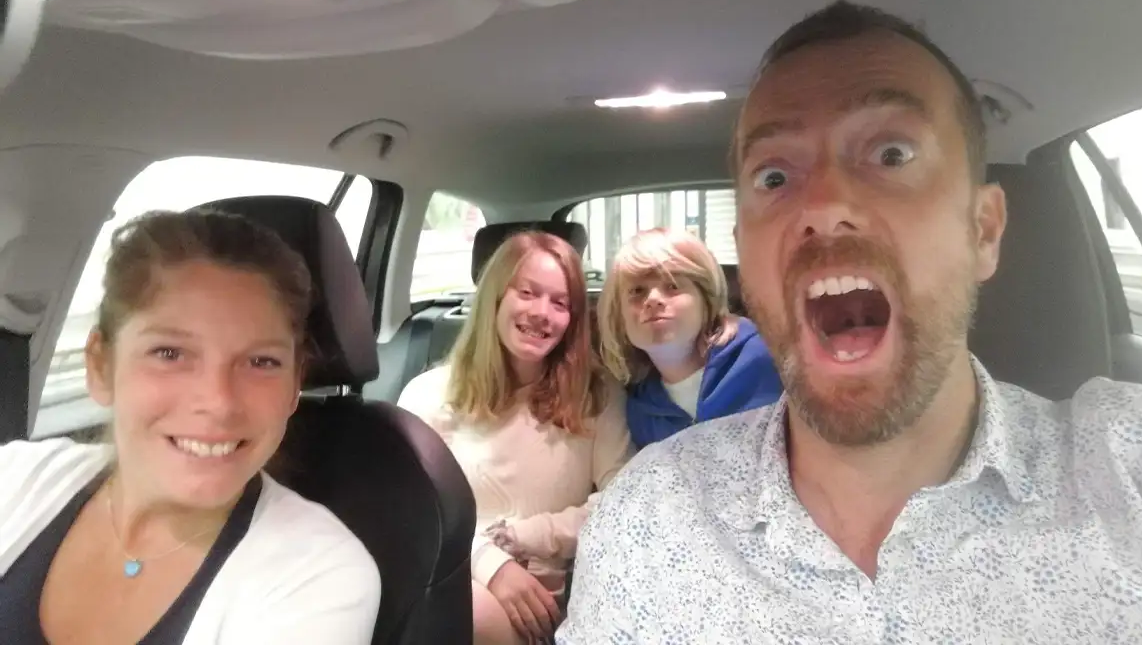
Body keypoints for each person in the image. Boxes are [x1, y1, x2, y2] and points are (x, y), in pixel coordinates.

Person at [558, 0, 1142, 644]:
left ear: (984, 230)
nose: (825, 206)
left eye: (891, 154)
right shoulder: (646, 521)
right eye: (774, 175)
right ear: (746, 248)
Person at [0, 210, 380, 643]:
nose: (218, 403)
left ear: (295, 386)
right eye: (170, 353)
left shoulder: (321, 575)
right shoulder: (13, 478)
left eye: (261, 362)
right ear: (101, 366)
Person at [397, 230, 633, 645]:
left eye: (561, 303)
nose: (543, 313)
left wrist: (535, 535)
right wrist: (490, 564)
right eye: (528, 292)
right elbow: (408, 515)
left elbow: (624, 507)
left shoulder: (597, 395)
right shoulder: (428, 394)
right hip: (449, 585)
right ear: (495, 297)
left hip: (544, 608)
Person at [597, 228, 782, 449]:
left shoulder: (770, 361)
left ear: (706, 300)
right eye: (637, 291)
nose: (653, 299)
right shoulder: (636, 409)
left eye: (673, 285)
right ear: (619, 317)